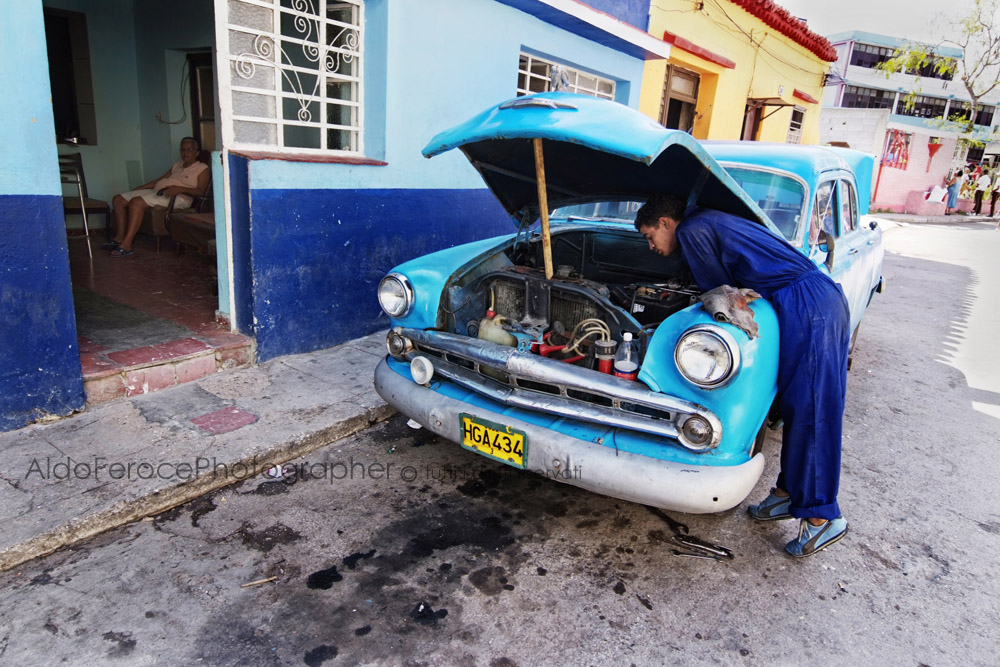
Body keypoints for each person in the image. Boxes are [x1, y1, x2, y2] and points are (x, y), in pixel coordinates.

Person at [635, 194, 850, 558]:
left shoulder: (693, 230)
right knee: (793, 405)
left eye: (649, 235)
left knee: (812, 410)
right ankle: (788, 494)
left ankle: (822, 517)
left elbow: (719, 292)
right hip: (806, 301)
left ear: (668, 223)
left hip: (809, 306)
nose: (650, 245)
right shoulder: (706, 221)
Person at [104, 137, 210, 257]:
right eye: (183, 150)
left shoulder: (202, 168)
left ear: (197, 152)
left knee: (136, 202)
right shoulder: (177, 165)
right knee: (118, 199)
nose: (185, 153)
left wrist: (181, 189)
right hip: (159, 192)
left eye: (189, 150)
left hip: (179, 197)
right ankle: (119, 237)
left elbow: (201, 192)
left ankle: (126, 245)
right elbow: (160, 180)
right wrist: (142, 187)